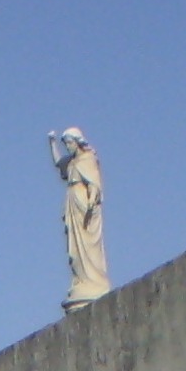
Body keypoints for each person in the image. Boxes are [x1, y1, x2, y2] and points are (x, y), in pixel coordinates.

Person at [48, 126, 110, 311]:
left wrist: (92, 200)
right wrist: (52, 143)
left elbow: (94, 184)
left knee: (87, 246)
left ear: (78, 142)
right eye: (65, 144)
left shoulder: (87, 159)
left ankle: (92, 281)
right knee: (74, 248)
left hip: (83, 203)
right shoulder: (72, 162)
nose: (67, 147)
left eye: (69, 143)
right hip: (72, 202)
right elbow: (59, 163)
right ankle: (81, 281)